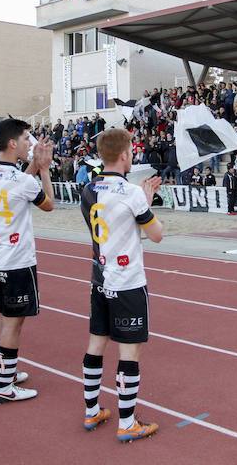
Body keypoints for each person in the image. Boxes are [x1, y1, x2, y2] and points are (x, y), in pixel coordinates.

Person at [79, 128, 164, 441]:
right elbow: (156, 234)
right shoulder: (130, 193)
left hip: (100, 278)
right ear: (125, 154)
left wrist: (141, 200)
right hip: (127, 282)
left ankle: (92, 411)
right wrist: (146, 200)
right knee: (129, 351)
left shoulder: (88, 189)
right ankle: (127, 422)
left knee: (96, 343)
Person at [0, 119, 55, 403]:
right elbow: (49, 203)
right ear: (12, 143)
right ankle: (3, 386)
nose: (29, 143)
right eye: (25, 138)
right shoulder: (22, 180)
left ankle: (6, 373)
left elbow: (18, 183)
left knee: (5, 316)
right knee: (14, 321)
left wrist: (33, 165)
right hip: (17, 261)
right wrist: (44, 169)